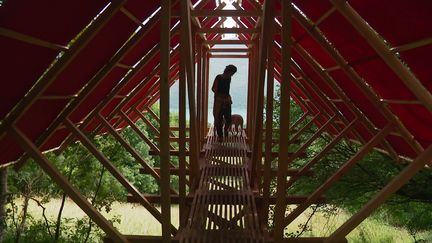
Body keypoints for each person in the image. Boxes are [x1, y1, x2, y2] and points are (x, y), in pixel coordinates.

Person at [212, 64, 237, 142]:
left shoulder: (229, 78)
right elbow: (213, 88)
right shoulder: (218, 77)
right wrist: (220, 97)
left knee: (228, 118)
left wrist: (227, 97)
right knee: (218, 119)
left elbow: (226, 90)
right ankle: (220, 136)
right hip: (219, 101)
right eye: (232, 73)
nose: (232, 75)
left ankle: (225, 130)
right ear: (229, 71)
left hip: (226, 100)